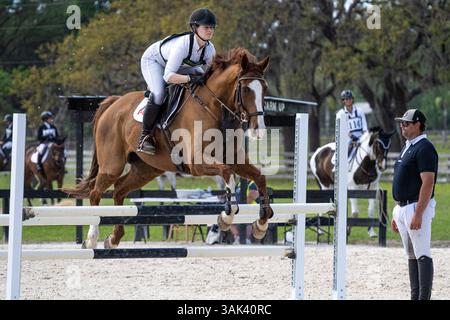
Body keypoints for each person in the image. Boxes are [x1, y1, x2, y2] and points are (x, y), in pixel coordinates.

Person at [137, 8, 217, 155]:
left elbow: (211, 75)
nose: (210, 31)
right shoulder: (183, 44)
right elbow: (168, 76)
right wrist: (190, 79)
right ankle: (145, 136)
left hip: (180, 66)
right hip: (155, 61)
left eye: (212, 28)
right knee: (159, 94)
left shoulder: (210, 50)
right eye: (206, 27)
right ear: (195, 28)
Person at [391, 109, 438, 300]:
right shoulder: (408, 146)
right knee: (411, 255)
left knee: (422, 254)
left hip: (416, 206)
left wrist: (418, 213)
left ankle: (423, 297)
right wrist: (397, 213)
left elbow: (428, 182)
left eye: (406, 123)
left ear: (418, 124)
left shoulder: (425, 147)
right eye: (402, 123)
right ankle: (415, 296)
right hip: (403, 208)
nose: (402, 126)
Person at [332, 90, 368, 167]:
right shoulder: (340, 114)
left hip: (361, 138)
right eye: (346, 99)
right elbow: (343, 129)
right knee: (344, 151)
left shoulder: (360, 111)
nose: (348, 100)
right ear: (343, 101)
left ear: (352, 99)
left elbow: (364, 126)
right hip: (348, 139)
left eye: (350, 98)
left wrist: (365, 136)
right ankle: (338, 166)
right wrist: (352, 137)